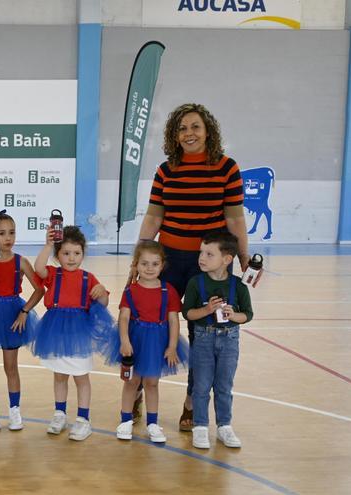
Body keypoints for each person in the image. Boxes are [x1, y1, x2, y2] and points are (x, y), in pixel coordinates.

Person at [134, 103, 250, 431]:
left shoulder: (227, 168)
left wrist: (243, 256)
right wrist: (139, 257)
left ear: (208, 131)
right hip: (168, 260)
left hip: (208, 265)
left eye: (195, 127)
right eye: (182, 128)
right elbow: (154, 216)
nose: (189, 133)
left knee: (203, 333)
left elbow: (234, 218)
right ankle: (139, 388)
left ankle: (191, 402)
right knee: (151, 326)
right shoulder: (166, 170)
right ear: (175, 135)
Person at [31, 226, 114, 441]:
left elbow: (104, 302)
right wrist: (48, 244)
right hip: (56, 330)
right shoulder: (53, 274)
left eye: (77, 253)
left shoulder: (89, 278)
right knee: (59, 374)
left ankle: (83, 419)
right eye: (66, 253)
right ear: (57, 255)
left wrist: (102, 291)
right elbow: (38, 267)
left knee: (81, 376)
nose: (71, 258)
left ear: (83, 254)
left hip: (79, 333)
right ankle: (59, 413)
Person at [103, 241, 188, 443]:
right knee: (131, 381)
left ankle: (152, 423)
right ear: (136, 265)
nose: (149, 268)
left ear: (162, 265)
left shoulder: (169, 291)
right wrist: (124, 341)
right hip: (135, 340)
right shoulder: (130, 291)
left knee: (152, 383)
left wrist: (173, 346)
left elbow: (174, 320)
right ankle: (125, 420)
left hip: (158, 342)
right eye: (144, 263)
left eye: (155, 264)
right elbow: (123, 318)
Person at [0, 210, 44, 431]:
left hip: (13, 315)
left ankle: (14, 410)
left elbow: (39, 289)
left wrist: (24, 311)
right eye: (2, 233)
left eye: (12, 232)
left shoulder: (21, 261)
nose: (8, 238)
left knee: (11, 367)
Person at [182, 231, 253, 449]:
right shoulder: (196, 283)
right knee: (201, 386)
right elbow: (187, 313)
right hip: (203, 339)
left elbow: (247, 315)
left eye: (209, 254)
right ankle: (201, 426)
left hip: (230, 340)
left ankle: (224, 426)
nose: (201, 258)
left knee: (224, 386)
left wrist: (234, 316)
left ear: (227, 259)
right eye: (201, 252)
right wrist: (206, 309)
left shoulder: (238, 286)